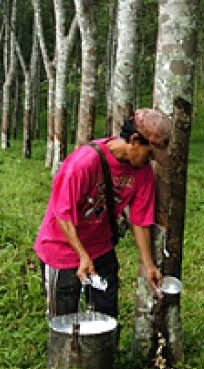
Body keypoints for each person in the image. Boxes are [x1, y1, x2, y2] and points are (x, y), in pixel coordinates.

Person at [34, 109, 172, 319]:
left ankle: (104, 352)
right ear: (134, 140)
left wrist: (148, 264)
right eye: (150, 153)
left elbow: (140, 219)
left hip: (101, 249)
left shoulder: (142, 171)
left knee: (106, 317)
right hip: (61, 250)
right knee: (63, 319)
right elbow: (63, 214)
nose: (150, 161)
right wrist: (82, 255)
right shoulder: (83, 163)